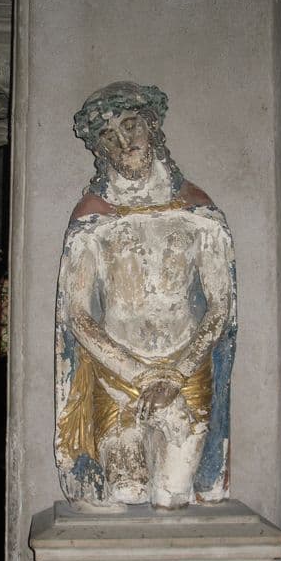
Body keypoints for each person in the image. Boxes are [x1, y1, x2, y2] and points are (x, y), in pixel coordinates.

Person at [55, 82, 236, 511]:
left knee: (172, 495)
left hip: (184, 371)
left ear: (152, 126)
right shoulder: (93, 219)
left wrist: (175, 375)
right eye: (108, 135)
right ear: (100, 148)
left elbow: (220, 306)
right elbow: (77, 314)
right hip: (119, 375)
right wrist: (139, 375)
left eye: (131, 125)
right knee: (128, 490)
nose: (123, 142)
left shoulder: (197, 211)